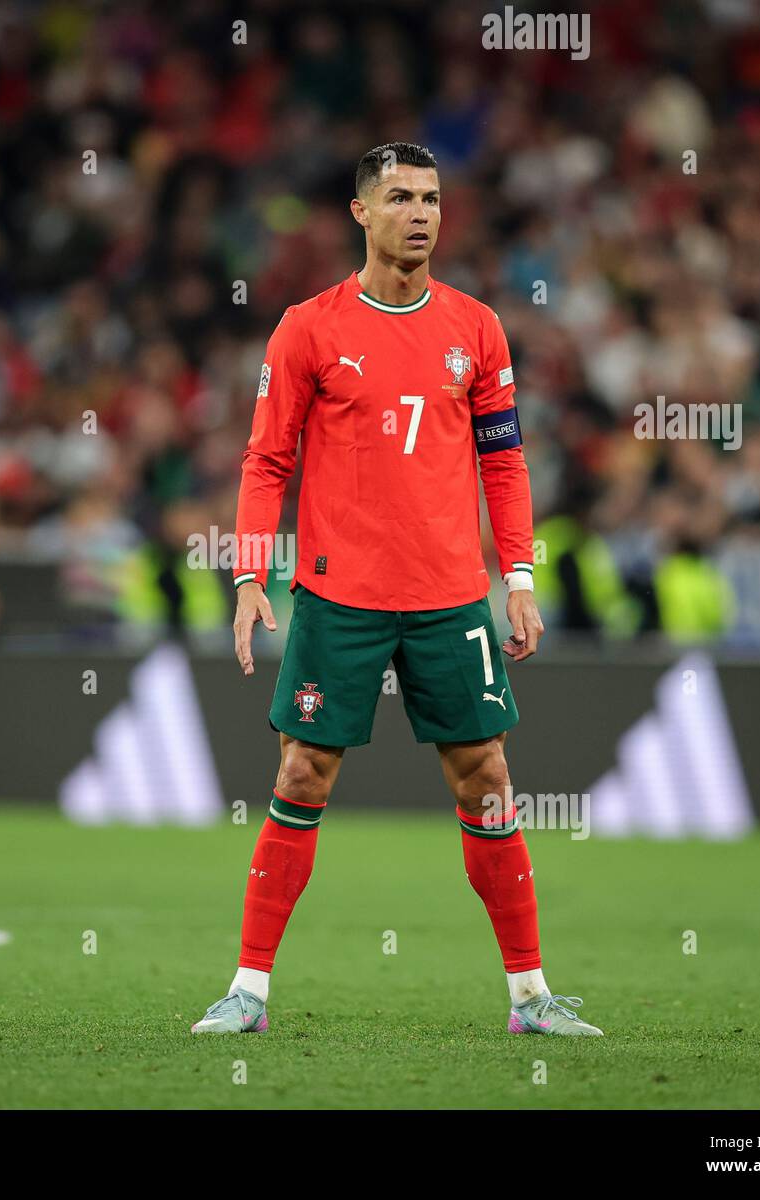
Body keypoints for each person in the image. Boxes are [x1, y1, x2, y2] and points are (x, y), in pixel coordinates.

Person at [191, 143, 602, 1037]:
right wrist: (250, 573)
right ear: (361, 213)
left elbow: (505, 459)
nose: (422, 213)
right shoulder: (309, 327)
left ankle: (530, 997)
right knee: (302, 772)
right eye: (402, 198)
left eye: (433, 198)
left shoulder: (478, 329)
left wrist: (520, 575)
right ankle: (249, 992)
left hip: (451, 596)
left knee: (487, 778)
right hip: (339, 596)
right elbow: (267, 458)